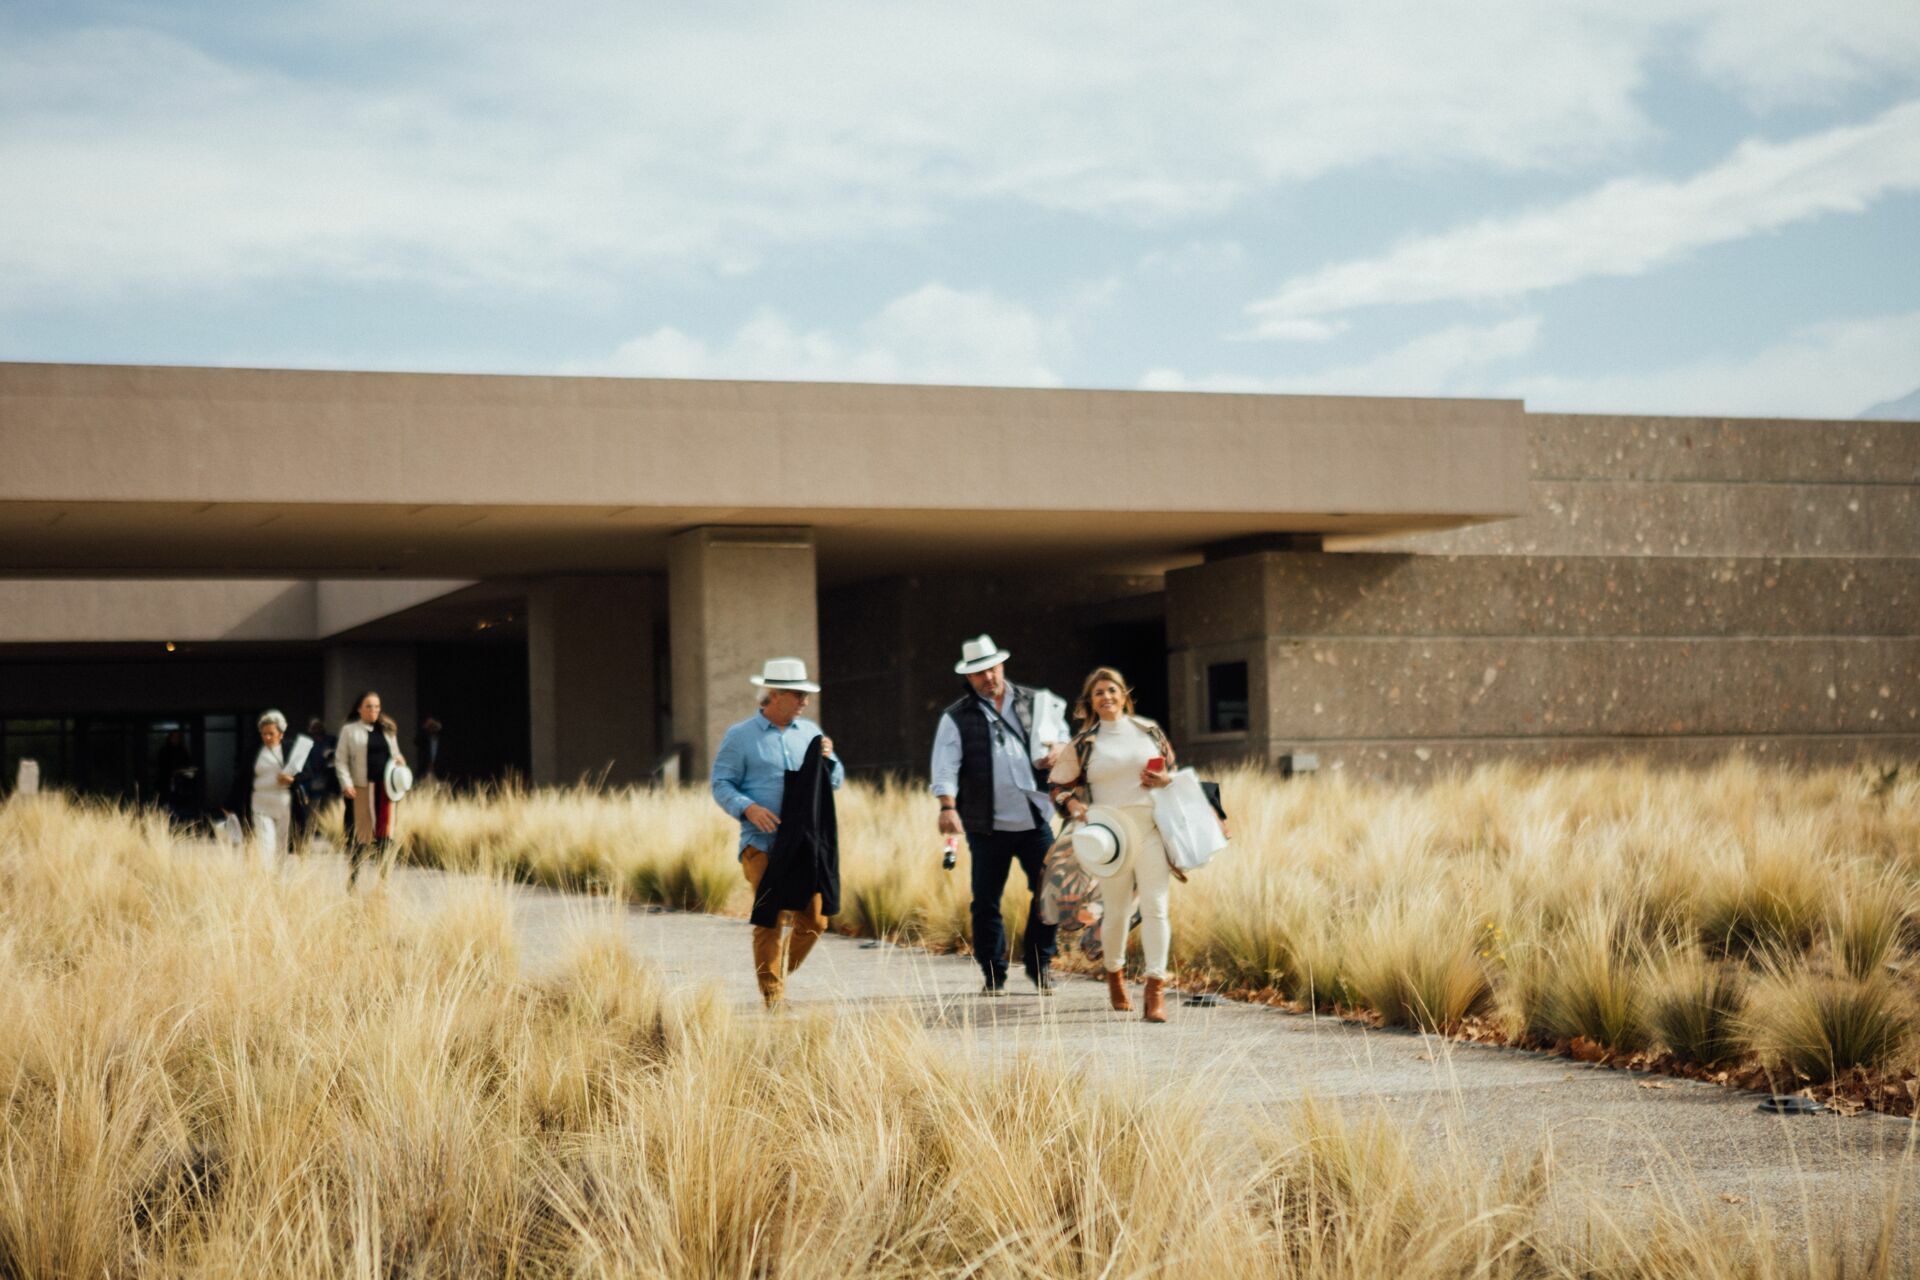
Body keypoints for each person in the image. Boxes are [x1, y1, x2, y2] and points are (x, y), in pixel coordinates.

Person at [929, 634, 1068, 997]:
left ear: (1001, 665)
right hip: (986, 826)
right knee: (986, 901)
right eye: (979, 673)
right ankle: (994, 974)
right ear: (969, 678)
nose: (988, 677)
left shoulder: (1037, 702)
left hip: (1035, 818)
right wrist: (947, 806)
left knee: (1048, 893)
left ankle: (1041, 966)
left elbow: (1065, 739)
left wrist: (1059, 751)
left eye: (992, 668)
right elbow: (944, 767)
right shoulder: (956, 717)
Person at [1047, 666, 1180, 1023]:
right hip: (1110, 838)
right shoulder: (1085, 743)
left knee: (1156, 907)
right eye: (1098, 693)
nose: (1106, 697)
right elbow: (1058, 788)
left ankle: (1155, 988)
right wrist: (1073, 805)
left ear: (1125, 695)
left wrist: (1164, 779)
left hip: (1150, 829)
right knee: (1117, 911)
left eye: (1112, 690)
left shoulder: (1148, 731)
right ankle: (1114, 974)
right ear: (1090, 702)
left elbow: (1173, 774)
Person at [710, 658, 844, 1006]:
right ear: (774, 694)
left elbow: (836, 781)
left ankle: (776, 974)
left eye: (806, 695)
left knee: (816, 920)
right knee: (770, 918)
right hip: (761, 845)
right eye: (798, 695)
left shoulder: (812, 734)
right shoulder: (740, 737)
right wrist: (748, 808)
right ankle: (773, 998)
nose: (805, 702)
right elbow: (720, 783)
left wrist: (829, 761)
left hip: (804, 846)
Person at [335, 690, 408, 888]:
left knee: (385, 833)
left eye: (376, 706)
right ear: (359, 709)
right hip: (361, 788)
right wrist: (346, 783)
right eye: (369, 706)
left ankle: (384, 878)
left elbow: (395, 754)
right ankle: (353, 879)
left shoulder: (387, 730)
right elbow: (340, 761)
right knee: (360, 835)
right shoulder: (350, 731)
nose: (373, 710)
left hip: (386, 789)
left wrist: (399, 760)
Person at [223, 710, 303, 866]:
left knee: (281, 844)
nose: (267, 737)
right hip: (260, 803)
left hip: (284, 804)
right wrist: (229, 804)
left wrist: (292, 779)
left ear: (280, 734)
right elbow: (241, 779)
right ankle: (265, 877)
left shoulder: (290, 750)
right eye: (263, 734)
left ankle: (278, 880)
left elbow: (306, 772)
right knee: (265, 843)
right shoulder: (254, 752)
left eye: (271, 734)